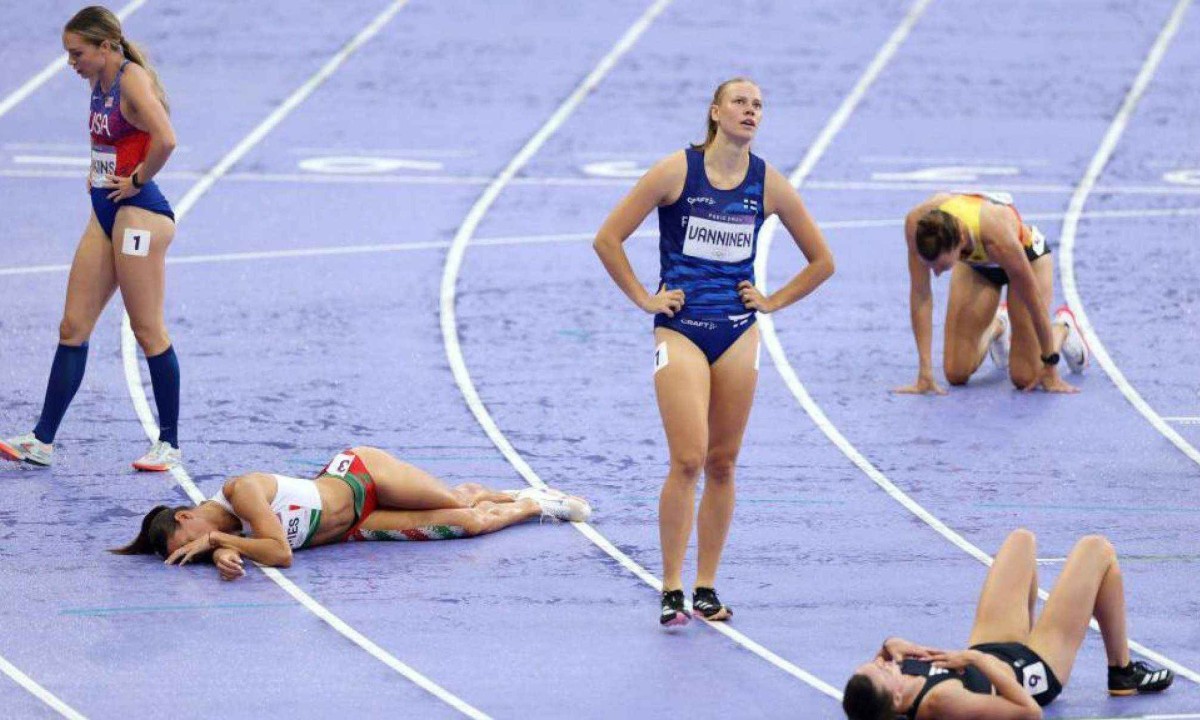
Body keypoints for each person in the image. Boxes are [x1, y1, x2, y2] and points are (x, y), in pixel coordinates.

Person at [593, 77, 834, 626]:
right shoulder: (676, 170)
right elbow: (608, 239)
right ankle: (671, 585)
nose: (751, 111)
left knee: (723, 464)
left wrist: (771, 301)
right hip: (680, 329)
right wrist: (643, 298)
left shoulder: (767, 182)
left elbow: (823, 260)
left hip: (736, 330)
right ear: (715, 112)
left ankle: (705, 586)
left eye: (758, 106)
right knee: (688, 458)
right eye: (741, 103)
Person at [0, 6, 181, 471]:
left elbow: (166, 138)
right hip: (105, 212)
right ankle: (41, 440)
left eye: (76, 53)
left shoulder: (131, 78)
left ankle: (169, 443)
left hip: (139, 217)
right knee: (72, 328)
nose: (70, 63)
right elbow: (115, 139)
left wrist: (137, 179)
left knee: (146, 330)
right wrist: (97, 168)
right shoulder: (99, 84)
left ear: (105, 47)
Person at [113, 446, 592, 580]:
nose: (197, 548)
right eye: (190, 556)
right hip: (355, 527)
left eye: (190, 542)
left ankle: (521, 492)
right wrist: (222, 554)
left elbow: (279, 552)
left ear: (184, 518)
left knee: (460, 501)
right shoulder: (226, 541)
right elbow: (257, 549)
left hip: (362, 475)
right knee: (468, 524)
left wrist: (219, 544)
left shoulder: (240, 493)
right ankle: (532, 504)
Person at [843, 529, 1174, 720]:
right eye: (881, 671)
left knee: (1021, 541)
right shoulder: (940, 702)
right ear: (896, 694)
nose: (882, 662)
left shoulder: (893, 687)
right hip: (1031, 671)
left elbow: (883, 662)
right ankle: (1122, 671)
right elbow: (1028, 713)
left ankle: (1041, 636)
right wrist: (976, 660)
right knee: (1098, 551)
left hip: (992, 649)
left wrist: (891, 642)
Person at [896, 192, 1089, 396]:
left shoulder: (999, 239)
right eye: (931, 266)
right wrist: (925, 372)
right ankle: (999, 325)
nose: (935, 273)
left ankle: (1063, 327)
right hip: (978, 266)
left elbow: (1034, 304)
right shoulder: (917, 226)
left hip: (1027, 259)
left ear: (961, 240)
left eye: (943, 266)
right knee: (956, 373)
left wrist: (1050, 366)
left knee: (1025, 377)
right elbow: (921, 295)